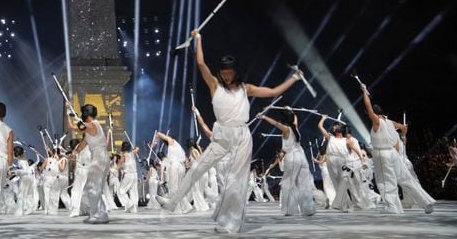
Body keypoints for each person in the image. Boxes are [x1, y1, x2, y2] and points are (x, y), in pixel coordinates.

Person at [159, 29, 304, 234]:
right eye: (223, 73)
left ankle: (232, 223)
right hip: (221, 135)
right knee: (197, 168)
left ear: (236, 71)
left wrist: (295, 78)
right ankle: (172, 201)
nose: (226, 76)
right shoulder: (214, 85)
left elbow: (273, 92)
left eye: (230, 73)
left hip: (241, 136)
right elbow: (201, 64)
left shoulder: (247, 88)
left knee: (237, 180)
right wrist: (198, 39)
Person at [361, 90, 434, 214]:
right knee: (406, 179)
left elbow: (368, 107)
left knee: (385, 181)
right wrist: (403, 137)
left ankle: (392, 207)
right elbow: (404, 128)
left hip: (382, 154)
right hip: (392, 153)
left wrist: (364, 92)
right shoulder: (390, 122)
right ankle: (426, 202)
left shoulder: (377, 122)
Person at [256, 109, 316, 216]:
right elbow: (295, 118)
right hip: (301, 158)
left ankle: (289, 210)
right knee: (302, 183)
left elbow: (275, 123)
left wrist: (263, 117)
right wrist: (291, 111)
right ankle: (307, 209)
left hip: (292, 158)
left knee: (288, 183)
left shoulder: (287, 129)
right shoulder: (295, 128)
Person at [66, 102, 110, 224]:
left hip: (99, 157)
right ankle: (101, 213)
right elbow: (83, 144)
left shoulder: (92, 125)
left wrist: (69, 112)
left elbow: (71, 127)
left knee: (92, 186)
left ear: (86, 113)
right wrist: (75, 153)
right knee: (95, 187)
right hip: (100, 156)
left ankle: (98, 215)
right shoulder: (91, 129)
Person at [318, 116, 370, 212]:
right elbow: (320, 127)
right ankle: (345, 205)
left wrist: (363, 161)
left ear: (340, 129)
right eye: (334, 126)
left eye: (335, 126)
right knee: (336, 184)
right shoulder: (330, 137)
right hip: (331, 162)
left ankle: (350, 204)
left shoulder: (347, 140)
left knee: (342, 184)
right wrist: (323, 118)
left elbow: (357, 151)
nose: (333, 127)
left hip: (342, 162)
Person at [116, 141, 140, 213]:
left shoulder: (123, 156)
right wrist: (134, 149)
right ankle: (134, 208)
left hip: (128, 175)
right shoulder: (132, 153)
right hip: (135, 175)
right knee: (133, 191)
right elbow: (137, 148)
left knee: (121, 191)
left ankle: (129, 204)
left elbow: (118, 167)